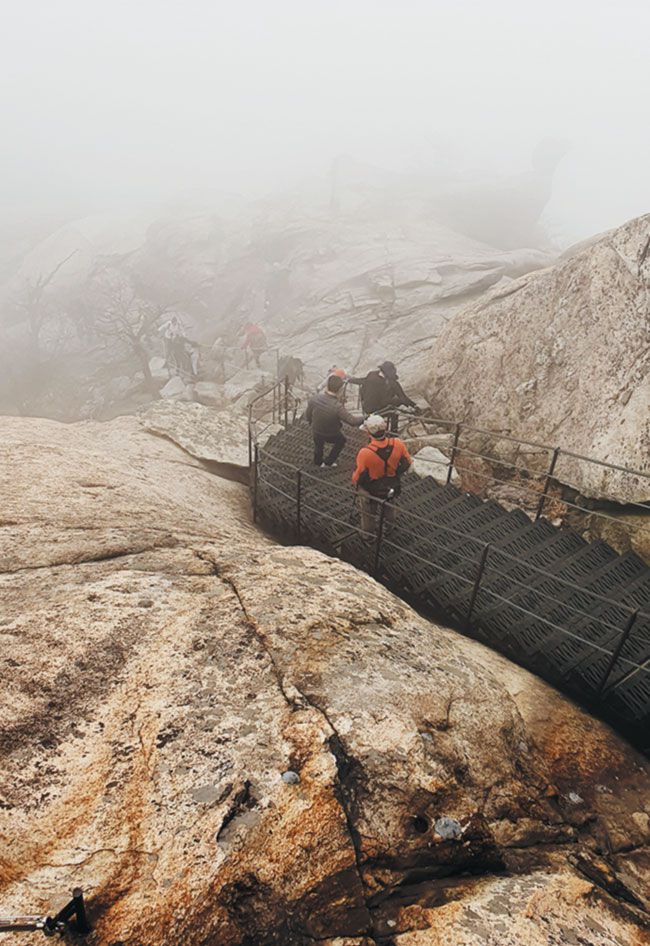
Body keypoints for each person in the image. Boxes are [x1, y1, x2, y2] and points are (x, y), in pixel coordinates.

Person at [352, 414, 413, 535]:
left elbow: (357, 477)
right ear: (385, 429)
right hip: (391, 483)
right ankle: (388, 529)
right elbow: (408, 462)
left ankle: (368, 536)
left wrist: (356, 481)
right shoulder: (398, 443)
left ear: (368, 432)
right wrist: (396, 472)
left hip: (372, 488)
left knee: (368, 512)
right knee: (389, 506)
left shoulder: (365, 453)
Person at [305, 374, 363, 467]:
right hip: (331, 433)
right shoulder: (337, 406)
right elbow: (353, 421)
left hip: (316, 429)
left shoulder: (315, 398)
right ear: (340, 390)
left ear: (327, 386)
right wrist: (367, 417)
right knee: (341, 441)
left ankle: (318, 462)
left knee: (318, 446)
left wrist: (310, 422)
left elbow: (308, 414)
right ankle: (329, 462)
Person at [347, 361, 420, 419]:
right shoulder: (389, 382)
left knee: (394, 401)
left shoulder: (371, 374)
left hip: (365, 408)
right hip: (376, 410)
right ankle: (393, 433)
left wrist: (350, 380)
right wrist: (413, 405)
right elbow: (401, 397)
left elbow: (362, 380)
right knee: (394, 411)